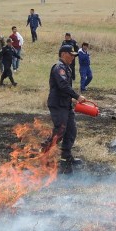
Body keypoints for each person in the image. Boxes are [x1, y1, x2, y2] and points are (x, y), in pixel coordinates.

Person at [46, 44, 87, 174]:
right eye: (71, 55)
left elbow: (65, 88)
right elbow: (63, 85)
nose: (73, 58)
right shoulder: (59, 68)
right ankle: (43, 155)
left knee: (71, 131)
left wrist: (72, 99)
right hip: (57, 104)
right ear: (64, 54)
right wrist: (77, 96)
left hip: (66, 104)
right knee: (59, 131)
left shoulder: (67, 68)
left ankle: (66, 158)